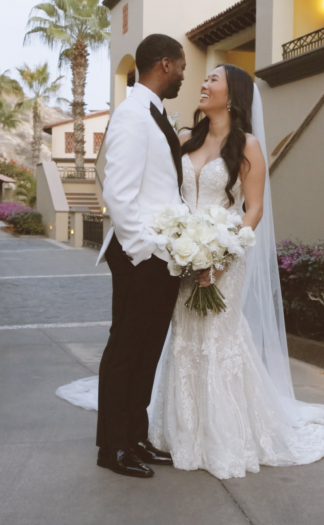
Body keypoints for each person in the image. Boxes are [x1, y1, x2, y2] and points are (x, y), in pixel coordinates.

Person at [57, 46, 324, 480]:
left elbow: (253, 209)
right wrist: (164, 244)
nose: (202, 83)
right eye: (200, 76)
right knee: (174, 343)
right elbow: (148, 188)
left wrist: (222, 255)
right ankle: (166, 434)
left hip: (219, 257)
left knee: (211, 341)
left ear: (233, 97)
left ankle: (212, 434)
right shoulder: (183, 137)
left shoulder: (247, 146)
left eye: (213, 80)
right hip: (173, 255)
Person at [90, 33, 187, 479]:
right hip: (140, 257)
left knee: (147, 351)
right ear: (164, 64)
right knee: (127, 351)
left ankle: (135, 435)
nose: (185, 74)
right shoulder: (132, 114)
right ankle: (112, 448)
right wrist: (144, 252)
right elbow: (119, 192)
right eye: (182, 66)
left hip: (160, 256)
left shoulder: (156, 112)